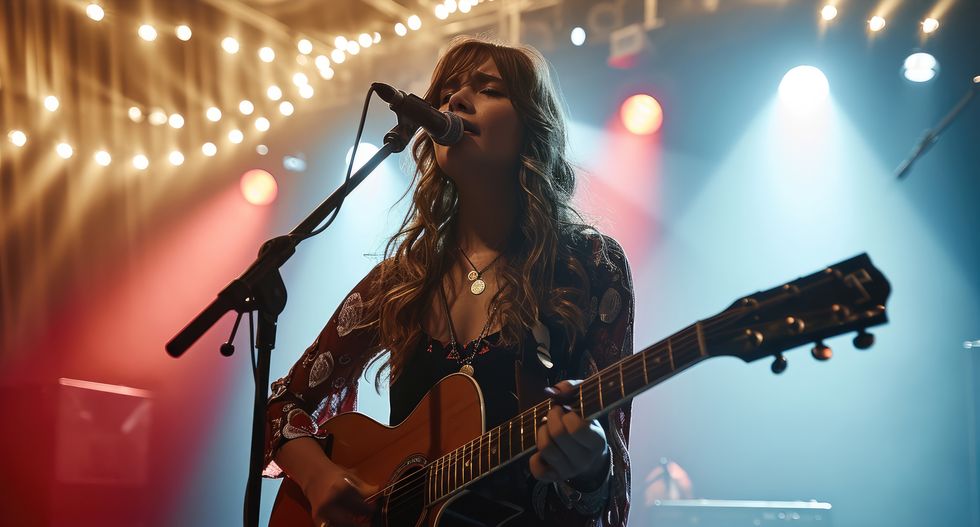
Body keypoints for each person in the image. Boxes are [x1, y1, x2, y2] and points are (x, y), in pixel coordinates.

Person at [263, 36, 634, 527]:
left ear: (531, 126)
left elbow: (603, 486)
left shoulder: (588, 267)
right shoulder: (401, 282)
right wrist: (319, 479)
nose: (455, 101)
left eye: (487, 88)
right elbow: (282, 405)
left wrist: (591, 465)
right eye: (446, 93)